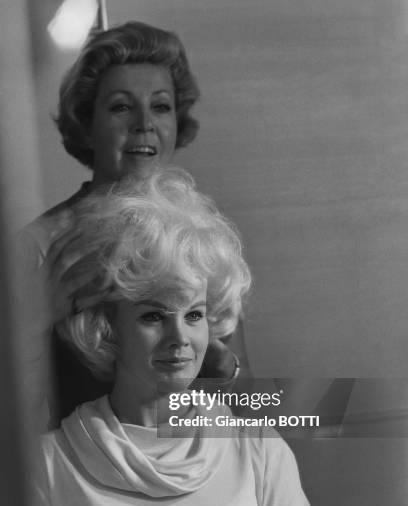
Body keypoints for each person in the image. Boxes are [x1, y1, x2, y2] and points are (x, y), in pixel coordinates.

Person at [33, 170, 328, 506]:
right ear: (107, 327)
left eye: (194, 315)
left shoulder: (259, 449)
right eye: (153, 317)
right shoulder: (49, 464)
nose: (179, 338)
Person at [18, 21, 250, 427]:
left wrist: (219, 364)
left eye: (160, 106)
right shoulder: (37, 247)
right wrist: (39, 321)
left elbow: (251, 410)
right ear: (87, 126)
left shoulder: (200, 241)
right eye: (122, 106)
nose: (144, 123)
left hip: (194, 469)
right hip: (77, 477)